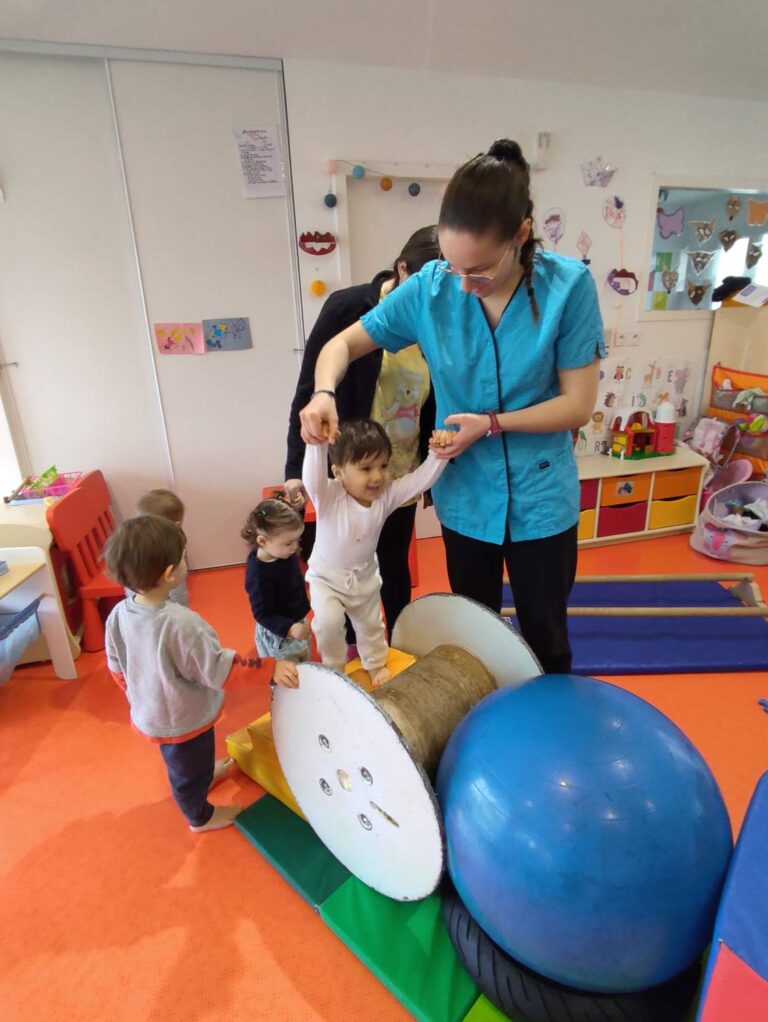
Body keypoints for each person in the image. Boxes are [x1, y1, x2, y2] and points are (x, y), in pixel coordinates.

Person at [299, 140, 604, 675]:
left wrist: (492, 424)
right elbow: (340, 346)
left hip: (541, 497)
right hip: (465, 495)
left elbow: (577, 405)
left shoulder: (568, 287)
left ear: (521, 236)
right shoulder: (430, 289)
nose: (463, 285)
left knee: (546, 636)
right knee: (477, 635)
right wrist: (324, 391)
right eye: (452, 265)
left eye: (480, 271)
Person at [284, 225, 440, 639]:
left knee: (393, 566)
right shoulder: (349, 308)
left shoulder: (438, 323)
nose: (431, 303)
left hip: (398, 468)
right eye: (423, 287)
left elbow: (437, 398)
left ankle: (399, 643)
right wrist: (295, 471)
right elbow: (310, 393)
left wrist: (434, 461)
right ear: (402, 269)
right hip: (347, 472)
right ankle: (349, 650)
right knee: (345, 568)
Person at [104, 515, 298, 833]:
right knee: (186, 770)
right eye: (183, 557)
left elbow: (115, 666)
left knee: (193, 761)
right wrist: (271, 668)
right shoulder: (182, 624)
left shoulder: (119, 613)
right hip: (182, 719)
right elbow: (220, 670)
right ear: (170, 573)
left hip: (154, 710)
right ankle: (199, 816)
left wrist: (139, 695)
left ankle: (203, 775)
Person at [302, 419, 447, 686]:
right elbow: (311, 479)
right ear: (339, 472)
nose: (377, 476)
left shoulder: (385, 496)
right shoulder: (330, 495)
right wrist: (317, 444)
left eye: (383, 466)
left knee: (371, 625)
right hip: (326, 578)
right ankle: (334, 670)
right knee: (328, 624)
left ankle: (375, 663)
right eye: (365, 468)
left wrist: (439, 455)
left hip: (365, 577)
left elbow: (418, 481)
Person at [241, 498, 311, 664]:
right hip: (280, 635)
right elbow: (262, 613)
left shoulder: (280, 550)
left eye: (297, 540)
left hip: (296, 621)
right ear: (262, 541)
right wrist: (289, 628)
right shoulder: (259, 575)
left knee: (304, 666)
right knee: (287, 676)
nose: (295, 547)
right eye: (289, 543)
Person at [136, 488, 189, 606]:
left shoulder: (132, 544)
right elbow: (178, 593)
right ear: (176, 524)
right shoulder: (174, 547)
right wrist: (183, 611)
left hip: (139, 604)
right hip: (167, 603)